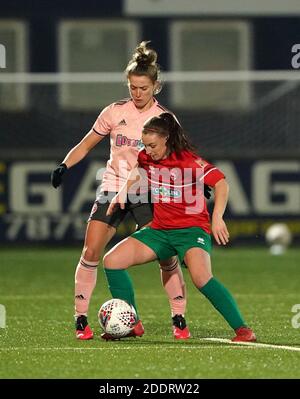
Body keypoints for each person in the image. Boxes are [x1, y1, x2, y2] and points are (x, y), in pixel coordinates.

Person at [51, 41, 200, 340]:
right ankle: (81, 319)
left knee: (166, 257)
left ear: (156, 86)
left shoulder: (166, 120)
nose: (137, 93)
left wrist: (197, 182)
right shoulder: (114, 112)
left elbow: (182, 157)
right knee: (91, 250)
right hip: (113, 188)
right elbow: (85, 144)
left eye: (144, 87)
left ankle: (179, 318)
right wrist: (65, 165)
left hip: (149, 192)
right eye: (133, 87)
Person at [102, 112, 256, 342]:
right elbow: (137, 171)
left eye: (152, 145)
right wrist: (123, 191)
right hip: (160, 231)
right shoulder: (146, 157)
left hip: (191, 231)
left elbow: (221, 184)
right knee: (112, 261)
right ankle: (132, 324)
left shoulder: (189, 161)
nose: (148, 150)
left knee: (201, 278)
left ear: (166, 138)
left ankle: (243, 330)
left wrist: (217, 217)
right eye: (145, 145)